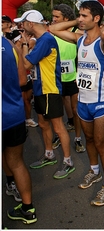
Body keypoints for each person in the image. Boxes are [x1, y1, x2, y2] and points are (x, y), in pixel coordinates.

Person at [49, 1, 104, 206]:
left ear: (96, 18)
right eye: (79, 15)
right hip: (84, 101)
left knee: (101, 143)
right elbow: (53, 28)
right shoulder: (79, 40)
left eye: (84, 15)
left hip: (102, 102)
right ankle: (94, 171)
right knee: (88, 138)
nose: (80, 19)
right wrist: (77, 20)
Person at [14, 10, 75, 180]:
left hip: (50, 89)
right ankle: (49, 154)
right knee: (42, 123)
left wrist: (23, 45)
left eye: (23, 23)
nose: (21, 26)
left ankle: (68, 161)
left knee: (58, 126)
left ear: (31, 24)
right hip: (40, 88)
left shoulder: (46, 40)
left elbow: (26, 63)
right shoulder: (42, 40)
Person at [3, 36, 37, 224]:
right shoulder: (10, 46)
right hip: (13, 114)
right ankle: (28, 208)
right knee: (16, 162)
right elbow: (23, 80)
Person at [51, 3, 85, 153]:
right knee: (58, 111)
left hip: (74, 78)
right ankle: (60, 133)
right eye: (53, 16)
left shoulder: (77, 32)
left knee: (75, 109)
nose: (53, 19)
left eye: (56, 17)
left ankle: (77, 139)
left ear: (66, 18)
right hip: (56, 78)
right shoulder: (52, 32)